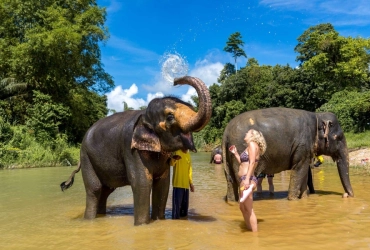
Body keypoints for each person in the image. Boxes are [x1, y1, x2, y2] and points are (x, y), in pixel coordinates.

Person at [229, 129, 267, 232]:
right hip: (245, 178)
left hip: (248, 179)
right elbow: (243, 163)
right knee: (242, 207)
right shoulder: (251, 146)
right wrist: (236, 153)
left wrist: (247, 180)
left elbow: (252, 163)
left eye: (248, 133)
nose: (245, 134)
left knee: (249, 209)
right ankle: (249, 230)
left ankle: (255, 237)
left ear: (252, 136)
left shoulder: (252, 145)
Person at [170, 149, 195, 219]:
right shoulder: (176, 151)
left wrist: (191, 183)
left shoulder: (188, 155)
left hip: (186, 186)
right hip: (177, 185)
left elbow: (189, 170)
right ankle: (175, 225)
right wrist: (174, 158)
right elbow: (171, 164)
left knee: (184, 212)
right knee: (176, 212)